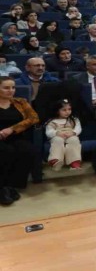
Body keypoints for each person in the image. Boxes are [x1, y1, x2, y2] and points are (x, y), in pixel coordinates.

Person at [0, 76, 39, 205]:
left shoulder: (20, 102)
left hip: (16, 136)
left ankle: (12, 185)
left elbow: (33, 118)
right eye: (6, 88)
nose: (10, 90)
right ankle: (2, 187)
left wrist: (12, 129)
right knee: (6, 152)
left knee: (28, 150)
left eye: (13, 87)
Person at [44, 99, 82, 170]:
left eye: (69, 109)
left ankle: (74, 161)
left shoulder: (74, 119)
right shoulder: (52, 121)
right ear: (57, 111)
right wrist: (56, 133)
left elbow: (78, 128)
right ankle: (55, 160)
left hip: (70, 135)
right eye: (64, 110)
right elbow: (48, 132)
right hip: (58, 136)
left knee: (74, 140)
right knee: (58, 140)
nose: (67, 112)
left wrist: (73, 133)